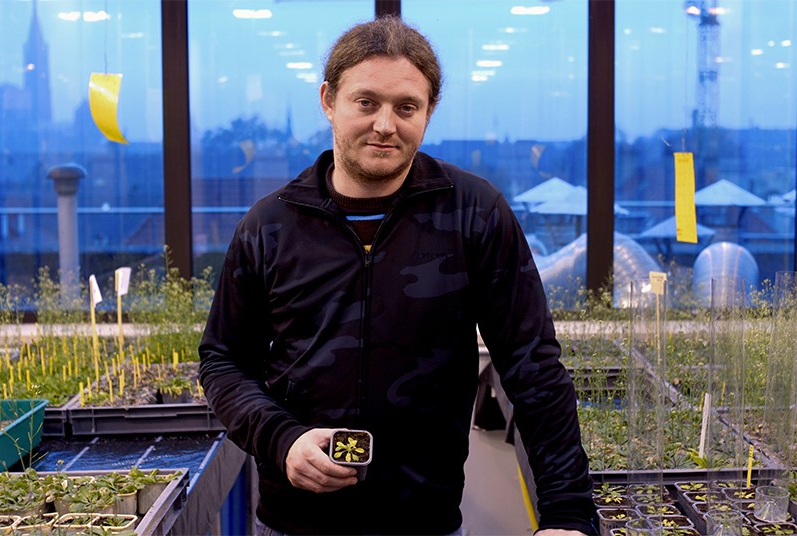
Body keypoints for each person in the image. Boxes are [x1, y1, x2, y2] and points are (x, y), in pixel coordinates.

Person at [199, 14, 596, 536]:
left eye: (406, 107)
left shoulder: (473, 213)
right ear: (328, 101)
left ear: (428, 112)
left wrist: (568, 513)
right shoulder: (270, 226)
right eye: (366, 102)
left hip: (425, 521)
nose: (386, 125)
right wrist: (282, 439)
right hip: (293, 522)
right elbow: (224, 361)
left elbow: (533, 367)